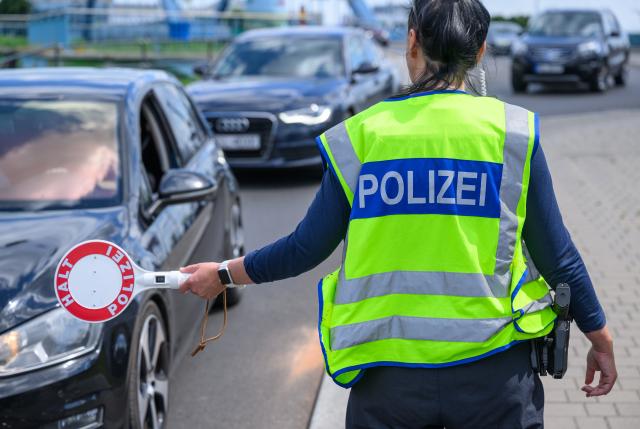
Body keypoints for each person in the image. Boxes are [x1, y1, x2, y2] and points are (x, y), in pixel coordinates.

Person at [179, 0, 618, 427]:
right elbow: (558, 255)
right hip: (494, 374)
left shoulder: (361, 136)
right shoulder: (513, 133)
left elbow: (304, 248)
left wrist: (221, 274)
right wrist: (598, 334)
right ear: (480, 50)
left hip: (389, 378)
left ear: (412, 41)